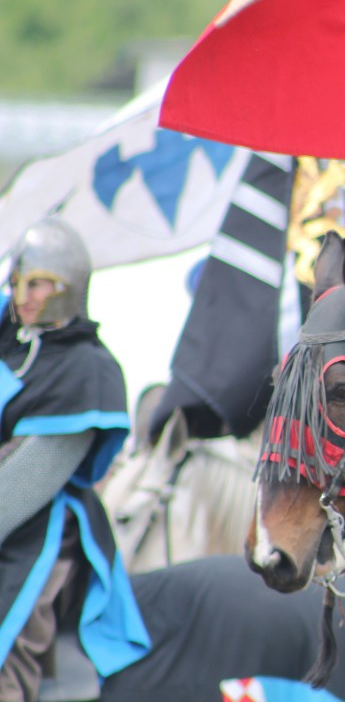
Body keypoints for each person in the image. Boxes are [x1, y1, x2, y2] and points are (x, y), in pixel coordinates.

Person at [0, 218, 148, 701]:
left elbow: (20, 488)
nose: (25, 295)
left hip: (35, 534)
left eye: (38, 283)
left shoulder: (88, 368)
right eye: (18, 282)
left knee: (8, 648)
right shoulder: (13, 346)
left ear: (69, 286)